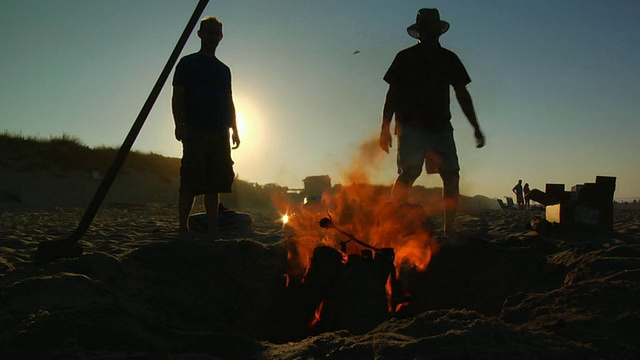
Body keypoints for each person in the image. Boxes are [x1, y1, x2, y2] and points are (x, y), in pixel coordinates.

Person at [379, 8, 485, 237]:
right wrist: (384, 127)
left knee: (451, 175)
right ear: (420, 33)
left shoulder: (448, 59)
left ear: (437, 32)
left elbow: (461, 94)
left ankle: (449, 229)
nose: (428, 34)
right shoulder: (405, 57)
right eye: (425, 30)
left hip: (440, 127)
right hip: (410, 127)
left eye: (431, 30)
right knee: (408, 174)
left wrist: (475, 126)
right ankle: (393, 224)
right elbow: (393, 94)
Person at [172, 16, 240, 239]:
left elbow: (229, 100)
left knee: (215, 184)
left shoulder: (224, 69)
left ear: (221, 37)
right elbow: (178, 96)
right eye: (208, 32)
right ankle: (183, 228)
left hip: (220, 131)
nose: (212, 37)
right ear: (200, 34)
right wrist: (178, 125)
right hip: (195, 129)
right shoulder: (187, 63)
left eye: (216, 33)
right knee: (191, 181)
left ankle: (212, 229)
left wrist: (235, 129)